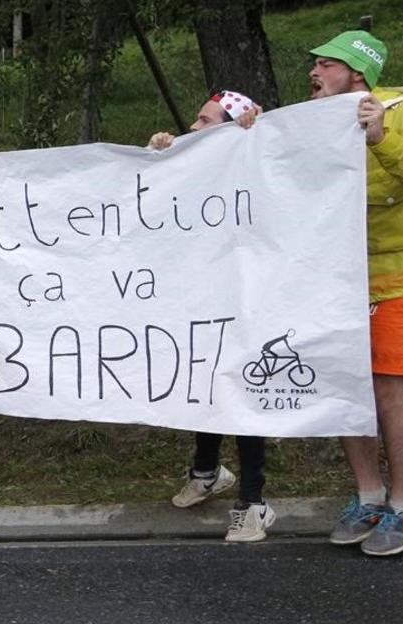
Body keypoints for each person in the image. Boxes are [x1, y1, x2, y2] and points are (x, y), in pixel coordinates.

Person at [306, 30, 403, 556]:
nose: (313, 72)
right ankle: (368, 497)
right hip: (339, 283)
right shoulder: (312, 120)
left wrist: (383, 139)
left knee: (386, 394)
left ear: (356, 73)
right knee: (349, 393)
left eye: (325, 63)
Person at [148, 91, 275, 542]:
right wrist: (158, 154)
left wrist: (259, 131)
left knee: (241, 394)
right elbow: (147, 202)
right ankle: (207, 472)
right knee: (204, 382)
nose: (193, 128)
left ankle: (254, 502)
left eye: (204, 122)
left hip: (248, 301)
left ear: (232, 128)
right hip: (201, 299)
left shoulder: (255, 162)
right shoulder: (195, 163)